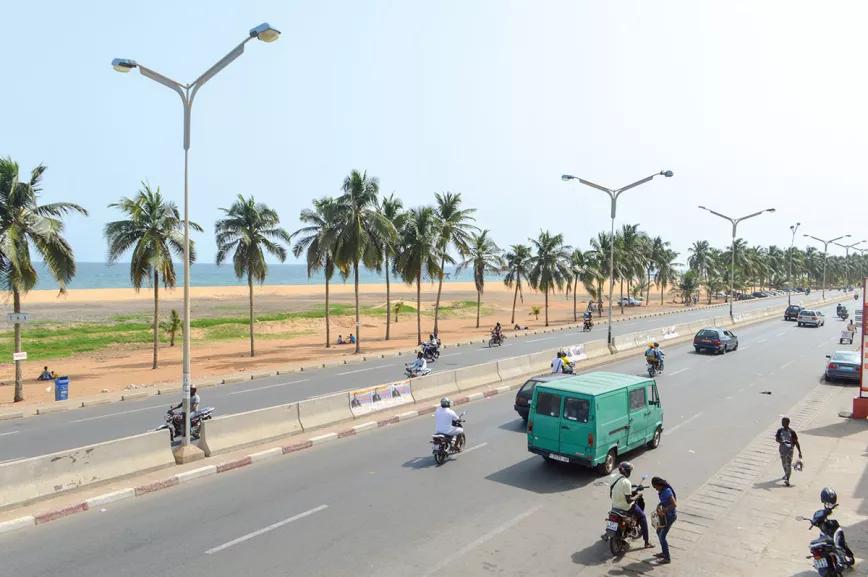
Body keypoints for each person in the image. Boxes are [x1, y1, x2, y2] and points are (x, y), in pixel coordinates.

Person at [610, 461, 652, 549]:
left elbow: (617, 490)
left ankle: (612, 530)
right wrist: (638, 495)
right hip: (626, 508)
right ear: (627, 471)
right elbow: (629, 500)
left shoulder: (612, 477)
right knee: (642, 517)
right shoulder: (626, 482)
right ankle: (647, 542)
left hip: (614, 506)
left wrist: (632, 490)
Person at [651, 477, 677, 564]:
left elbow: (674, 504)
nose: (655, 489)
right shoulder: (662, 491)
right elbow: (664, 501)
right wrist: (659, 506)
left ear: (659, 485)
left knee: (662, 536)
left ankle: (667, 558)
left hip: (670, 516)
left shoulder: (667, 491)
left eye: (655, 487)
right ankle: (664, 552)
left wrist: (663, 510)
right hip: (665, 516)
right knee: (658, 531)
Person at [775, 417, 802, 486]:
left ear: (788, 423)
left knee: (788, 465)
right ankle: (786, 474)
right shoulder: (779, 431)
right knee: (784, 464)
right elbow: (777, 439)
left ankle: (787, 479)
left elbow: (796, 442)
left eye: (783, 422)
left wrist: (799, 452)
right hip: (782, 451)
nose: (782, 423)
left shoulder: (792, 432)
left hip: (789, 451)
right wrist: (781, 441)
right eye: (782, 421)